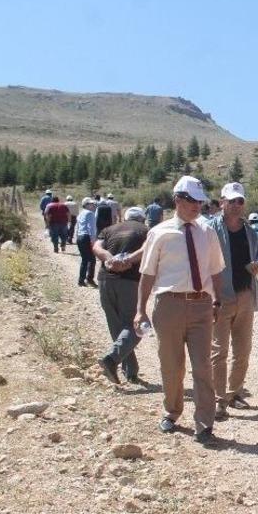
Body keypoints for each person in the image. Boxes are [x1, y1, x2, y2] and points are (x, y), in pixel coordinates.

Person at [135, 175, 226, 444]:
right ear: (177, 200)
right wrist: (140, 310)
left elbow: (216, 270)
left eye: (200, 202)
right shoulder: (159, 233)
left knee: (203, 367)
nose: (197, 206)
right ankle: (172, 411)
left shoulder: (207, 232)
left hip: (201, 305)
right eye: (192, 201)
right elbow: (147, 274)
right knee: (171, 365)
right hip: (169, 305)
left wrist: (217, 301)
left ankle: (204, 425)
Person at [210, 182, 258, 421]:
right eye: (231, 201)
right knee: (219, 350)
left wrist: (257, 265)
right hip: (220, 297)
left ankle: (234, 393)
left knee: (243, 350)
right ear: (222, 202)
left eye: (240, 201)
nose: (236, 205)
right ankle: (218, 399)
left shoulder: (249, 231)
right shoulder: (209, 228)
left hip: (245, 295)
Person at [93, 206, 149, 385]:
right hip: (130, 281)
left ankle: (130, 371)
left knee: (117, 327)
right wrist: (126, 261)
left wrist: (110, 259)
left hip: (105, 280)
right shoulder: (146, 231)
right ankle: (111, 360)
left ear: (125, 218)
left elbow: (96, 247)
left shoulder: (109, 229)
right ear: (142, 219)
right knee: (139, 326)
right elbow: (146, 250)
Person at [74, 197, 98, 286]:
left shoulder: (81, 214)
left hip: (80, 237)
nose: (93, 205)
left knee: (85, 259)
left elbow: (77, 227)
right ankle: (89, 279)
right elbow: (91, 228)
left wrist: (76, 237)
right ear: (86, 205)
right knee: (92, 260)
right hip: (86, 237)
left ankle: (81, 280)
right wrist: (93, 241)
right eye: (91, 204)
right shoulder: (90, 213)